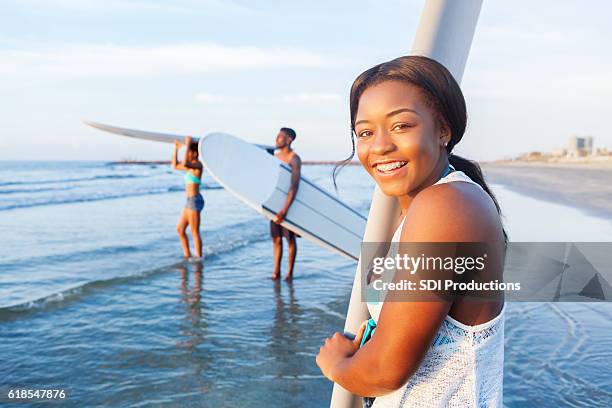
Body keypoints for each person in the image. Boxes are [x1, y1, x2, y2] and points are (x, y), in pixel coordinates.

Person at [316, 56, 507, 407]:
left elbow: (385, 371)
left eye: (401, 125)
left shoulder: (446, 206)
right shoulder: (432, 204)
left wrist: (335, 363)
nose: (380, 146)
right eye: (365, 132)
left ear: (443, 130)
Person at [271, 127, 302, 281]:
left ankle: (289, 272)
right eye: (277, 136)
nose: (277, 138)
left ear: (289, 140)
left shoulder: (294, 158)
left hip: (288, 206)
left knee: (290, 240)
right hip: (275, 206)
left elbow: (294, 186)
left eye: (280, 137)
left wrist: (285, 209)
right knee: (276, 239)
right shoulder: (274, 157)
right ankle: (276, 271)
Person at [172, 136, 204, 259]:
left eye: (189, 151)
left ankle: (199, 259)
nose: (188, 154)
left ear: (194, 153)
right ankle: (187, 255)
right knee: (180, 230)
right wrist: (176, 149)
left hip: (195, 201)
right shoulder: (190, 167)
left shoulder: (198, 165)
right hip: (189, 202)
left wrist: (188, 143)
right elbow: (175, 165)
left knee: (194, 232)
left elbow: (184, 162)